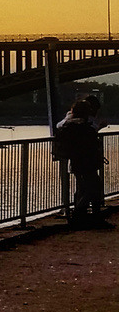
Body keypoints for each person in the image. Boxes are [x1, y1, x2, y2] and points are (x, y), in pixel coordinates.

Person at [52, 96, 110, 227]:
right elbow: (90, 144)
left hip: (76, 162)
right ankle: (81, 215)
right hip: (86, 162)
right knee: (93, 188)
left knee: (83, 188)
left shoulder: (68, 125)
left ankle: (82, 215)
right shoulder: (84, 128)